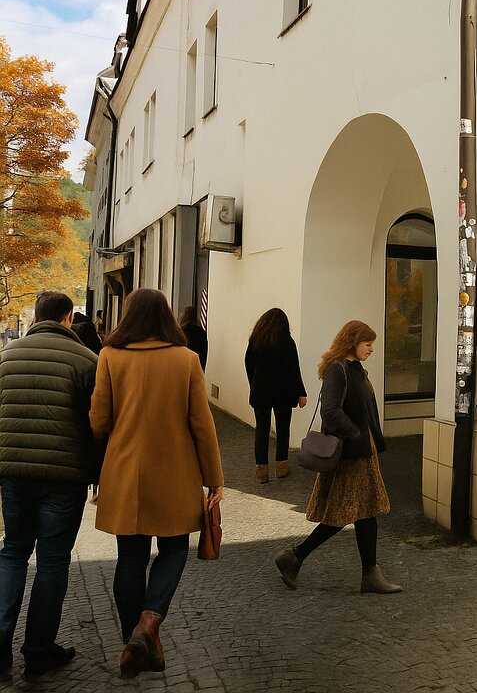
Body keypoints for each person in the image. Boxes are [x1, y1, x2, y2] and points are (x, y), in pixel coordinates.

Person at [89, 288, 224, 677]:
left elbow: (98, 421)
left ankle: (133, 638)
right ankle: (148, 626)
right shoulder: (186, 359)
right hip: (176, 473)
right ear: (166, 317)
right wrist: (214, 478)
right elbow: (202, 424)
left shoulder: (110, 356)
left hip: (125, 472)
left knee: (130, 557)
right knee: (175, 549)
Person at [0, 291, 97, 678]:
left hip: (13, 473)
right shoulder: (88, 361)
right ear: (68, 318)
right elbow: (99, 423)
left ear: (37, 316)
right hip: (64, 474)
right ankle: (38, 649)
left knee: (12, 553)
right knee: (53, 559)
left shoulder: (6, 359)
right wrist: (97, 470)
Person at [273, 320, 401, 595]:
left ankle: (370, 575)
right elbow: (330, 411)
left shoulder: (356, 369)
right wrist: (354, 434)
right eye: (367, 343)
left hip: (363, 452)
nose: (371, 349)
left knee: (365, 513)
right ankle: (294, 556)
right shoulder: (337, 369)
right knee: (343, 513)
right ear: (352, 341)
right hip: (350, 454)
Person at [245, 308, 308, 483]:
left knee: (262, 430)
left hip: (261, 393)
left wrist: (254, 385)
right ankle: (281, 467)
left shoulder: (255, 341)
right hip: (283, 394)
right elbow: (294, 370)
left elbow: (249, 365)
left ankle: (262, 471)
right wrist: (301, 392)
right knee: (282, 429)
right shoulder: (287, 342)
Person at [178, 305, 208, 371]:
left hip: (185, 372)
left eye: (181, 314)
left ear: (185, 316)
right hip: (199, 371)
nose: (179, 317)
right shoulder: (202, 333)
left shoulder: (183, 332)